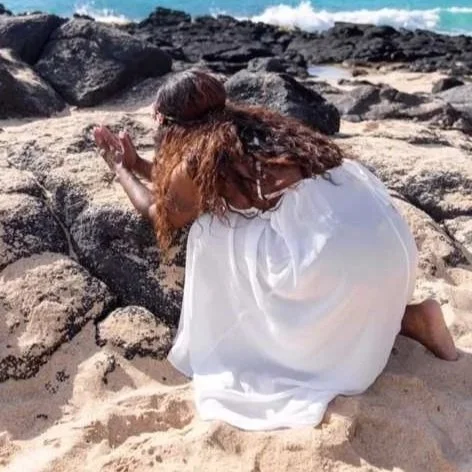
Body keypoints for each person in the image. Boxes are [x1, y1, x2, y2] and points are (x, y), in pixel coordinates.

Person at [94, 70, 457, 431]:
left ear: (172, 125)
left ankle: (268, 342)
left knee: (207, 231)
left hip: (339, 258)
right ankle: (408, 319)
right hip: (383, 239)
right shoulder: (249, 127)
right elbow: (188, 188)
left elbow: (164, 213)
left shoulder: (198, 157)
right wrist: (142, 164)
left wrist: (121, 169)